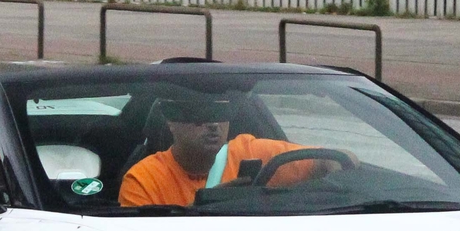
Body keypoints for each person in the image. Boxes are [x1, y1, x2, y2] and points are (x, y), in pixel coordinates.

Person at [117, 87, 320, 209]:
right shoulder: (142, 179)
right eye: (200, 114)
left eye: (220, 112)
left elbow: (339, 160)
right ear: (171, 123)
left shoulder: (250, 151)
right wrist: (207, 207)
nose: (213, 124)